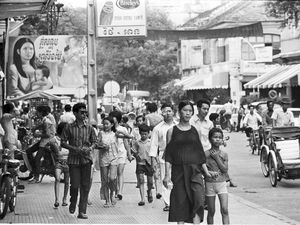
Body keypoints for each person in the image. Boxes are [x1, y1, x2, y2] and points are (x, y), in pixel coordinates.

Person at [163, 101, 213, 224]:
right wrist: (167, 175)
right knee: (180, 201)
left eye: (190, 111)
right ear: (179, 112)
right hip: (178, 171)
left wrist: (206, 172)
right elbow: (169, 155)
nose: (188, 113)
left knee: (198, 200)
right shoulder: (171, 131)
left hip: (195, 171)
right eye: (185, 110)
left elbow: (200, 153)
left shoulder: (195, 130)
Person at [61, 103, 97, 219]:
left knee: (85, 186)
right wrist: (74, 149)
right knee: (75, 185)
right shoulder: (69, 127)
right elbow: (62, 142)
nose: (84, 114)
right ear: (75, 113)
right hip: (73, 161)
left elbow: (95, 142)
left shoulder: (90, 127)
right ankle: (73, 202)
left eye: (85, 112)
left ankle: (82, 211)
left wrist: (90, 148)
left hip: (86, 160)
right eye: (81, 112)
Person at [149, 103, 177, 212]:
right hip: (163, 157)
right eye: (165, 111)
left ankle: (177, 201)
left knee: (177, 179)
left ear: (173, 112)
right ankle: (168, 203)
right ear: (162, 113)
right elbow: (153, 145)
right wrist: (153, 161)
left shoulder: (178, 125)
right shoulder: (157, 128)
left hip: (178, 156)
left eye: (170, 111)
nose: (168, 113)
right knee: (165, 179)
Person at [205, 128, 230, 225]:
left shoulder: (224, 154)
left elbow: (224, 170)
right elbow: (202, 169)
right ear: (210, 139)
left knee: (225, 209)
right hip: (209, 184)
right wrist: (209, 172)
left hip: (222, 184)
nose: (217, 139)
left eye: (220, 137)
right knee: (211, 211)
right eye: (215, 137)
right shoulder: (206, 154)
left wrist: (216, 158)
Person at [109, 110, 133, 200]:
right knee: (112, 175)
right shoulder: (108, 129)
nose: (113, 119)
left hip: (122, 152)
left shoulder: (123, 129)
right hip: (111, 154)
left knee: (120, 172)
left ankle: (120, 192)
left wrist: (129, 154)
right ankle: (115, 190)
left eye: (114, 118)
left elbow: (126, 143)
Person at [29, 105, 56, 183]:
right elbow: (42, 126)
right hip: (44, 141)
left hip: (46, 142)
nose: (36, 113)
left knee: (37, 159)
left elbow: (47, 134)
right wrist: (35, 128)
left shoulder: (47, 120)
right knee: (29, 151)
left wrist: (38, 135)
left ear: (41, 113)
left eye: (37, 112)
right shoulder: (45, 119)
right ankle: (34, 172)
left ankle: (36, 177)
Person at [97, 116, 118, 208]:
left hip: (113, 158)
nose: (105, 126)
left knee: (112, 178)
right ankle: (107, 199)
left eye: (107, 124)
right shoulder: (100, 133)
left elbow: (125, 135)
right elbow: (96, 144)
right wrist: (102, 146)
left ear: (112, 124)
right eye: (104, 124)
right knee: (104, 180)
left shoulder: (115, 134)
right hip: (103, 158)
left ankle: (113, 193)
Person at [131, 124, 154, 206]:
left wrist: (154, 163)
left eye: (145, 134)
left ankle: (149, 191)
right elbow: (133, 150)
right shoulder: (137, 142)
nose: (144, 135)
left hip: (149, 163)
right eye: (142, 134)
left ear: (149, 133)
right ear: (140, 133)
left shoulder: (151, 142)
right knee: (141, 179)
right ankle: (142, 199)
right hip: (140, 163)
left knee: (150, 181)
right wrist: (136, 155)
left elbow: (154, 153)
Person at [52, 122, 69, 209]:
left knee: (67, 181)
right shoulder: (55, 139)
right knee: (57, 178)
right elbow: (49, 144)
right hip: (58, 162)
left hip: (68, 162)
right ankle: (56, 200)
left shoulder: (69, 138)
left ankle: (65, 199)